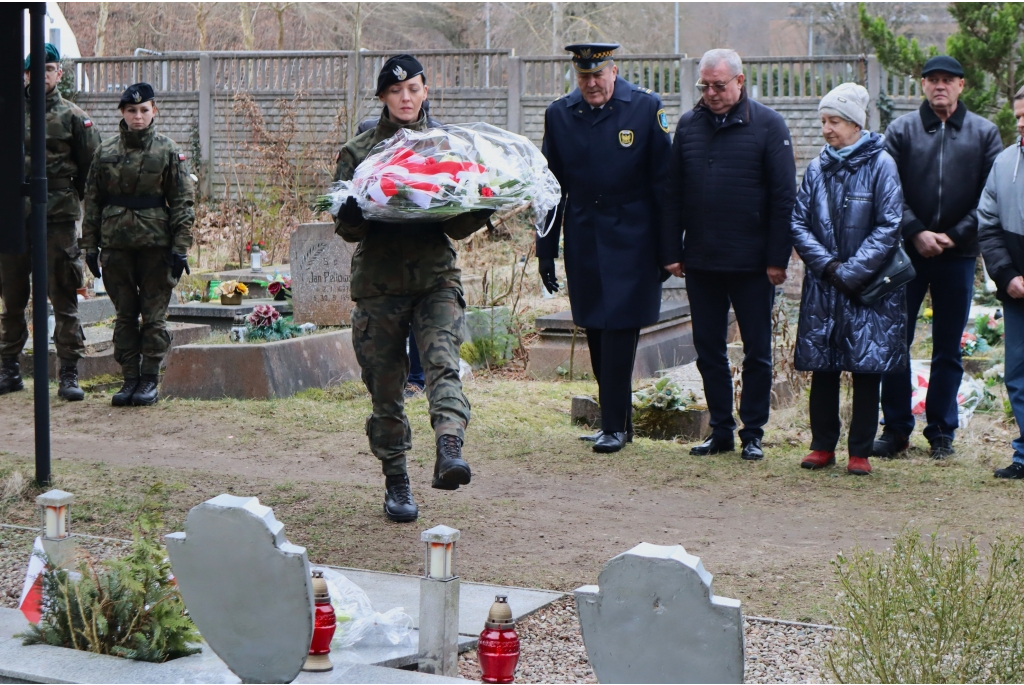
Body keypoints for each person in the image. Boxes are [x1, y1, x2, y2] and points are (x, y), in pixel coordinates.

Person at [333, 55, 493, 523]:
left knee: (444, 364)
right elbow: (348, 230)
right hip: (378, 286)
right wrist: (350, 216)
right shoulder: (358, 151)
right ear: (383, 96)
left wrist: (483, 203)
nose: (406, 98)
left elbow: (460, 226)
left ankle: (449, 449)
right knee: (385, 389)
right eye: (396, 91)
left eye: (414, 89)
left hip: (434, 279)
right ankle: (397, 479)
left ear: (426, 92)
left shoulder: (446, 147)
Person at [536, 42, 673, 454]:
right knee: (596, 325)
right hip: (584, 234)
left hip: (634, 236)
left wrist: (669, 249)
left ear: (614, 71)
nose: (592, 84)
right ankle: (618, 423)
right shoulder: (560, 114)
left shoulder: (646, 108)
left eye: (598, 75)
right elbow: (550, 188)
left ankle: (613, 423)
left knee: (620, 327)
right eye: (584, 77)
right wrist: (546, 248)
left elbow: (665, 184)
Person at [663, 48, 797, 461]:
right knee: (708, 349)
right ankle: (720, 429)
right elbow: (672, 194)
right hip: (702, 259)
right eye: (705, 85)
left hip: (753, 263)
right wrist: (672, 250)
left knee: (757, 351)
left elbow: (783, 196)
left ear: (740, 81)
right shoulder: (688, 126)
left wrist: (778, 258)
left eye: (719, 85)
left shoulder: (769, 126)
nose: (711, 92)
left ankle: (752, 433)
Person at [875, 55, 1003, 460]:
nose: (939, 87)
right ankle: (895, 429)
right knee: (897, 341)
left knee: (949, 347)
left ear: (962, 85)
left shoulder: (984, 134)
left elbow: (991, 194)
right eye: (932, 80)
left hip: (959, 254)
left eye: (947, 80)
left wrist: (952, 235)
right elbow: (888, 189)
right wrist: (916, 231)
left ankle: (942, 432)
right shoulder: (901, 131)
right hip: (906, 256)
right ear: (923, 86)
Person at [790, 83, 906, 475]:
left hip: (867, 288)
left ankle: (860, 450)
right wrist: (829, 267)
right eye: (823, 120)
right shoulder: (818, 167)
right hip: (825, 285)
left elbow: (890, 225)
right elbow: (798, 222)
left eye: (834, 120)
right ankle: (822, 445)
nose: (826, 128)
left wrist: (852, 272)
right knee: (822, 367)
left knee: (865, 368)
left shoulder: (881, 164)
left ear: (855, 123)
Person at [81, 82, 195, 407]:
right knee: (125, 316)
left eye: (144, 110)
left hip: (156, 246)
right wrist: (90, 246)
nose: (138, 116)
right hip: (116, 247)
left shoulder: (167, 151)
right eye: (132, 111)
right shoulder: (104, 152)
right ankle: (129, 378)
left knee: (154, 316)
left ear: (153, 111)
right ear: (122, 113)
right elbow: (92, 201)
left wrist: (180, 247)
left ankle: (149, 379)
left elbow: (183, 202)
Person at [0, 43, 100, 400]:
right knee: (12, 297)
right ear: (25, 75)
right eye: (34, 71)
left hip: (58, 219)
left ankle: (69, 373)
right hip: (14, 219)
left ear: (59, 73)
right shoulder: (9, 113)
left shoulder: (76, 118)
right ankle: (9, 368)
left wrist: (92, 230)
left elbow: (93, 177)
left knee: (63, 296)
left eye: (49, 69)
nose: (41, 76)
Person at [977, 86, 1024, 479]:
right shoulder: (1004, 163)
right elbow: (988, 225)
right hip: (1017, 291)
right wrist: (1007, 275)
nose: (1021, 123)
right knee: (1019, 375)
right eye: (1018, 115)